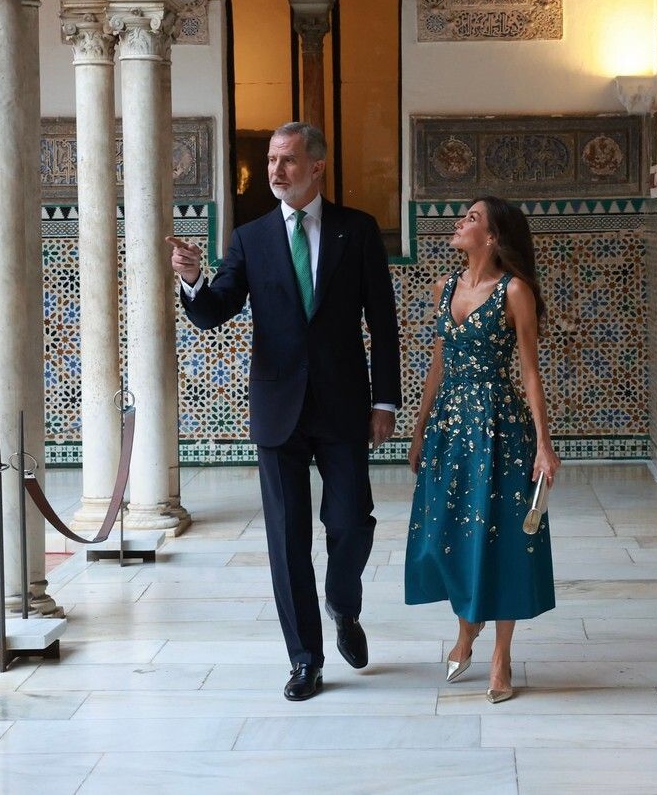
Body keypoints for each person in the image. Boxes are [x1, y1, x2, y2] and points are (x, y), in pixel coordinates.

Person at [167, 122, 401, 701]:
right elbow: (215, 311)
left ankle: (343, 604)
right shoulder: (250, 238)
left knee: (351, 522)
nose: (276, 170)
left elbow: (384, 323)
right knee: (287, 538)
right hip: (277, 410)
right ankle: (305, 659)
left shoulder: (358, 230)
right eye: (272, 160)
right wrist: (196, 280)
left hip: (345, 405)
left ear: (317, 166)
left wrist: (384, 399)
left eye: (289, 160)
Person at [404, 196, 558, 704]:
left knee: (504, 539)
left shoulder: (515, 292)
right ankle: (467, 627)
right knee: (446, 533)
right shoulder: (443, 287)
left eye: (471, 218)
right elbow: (438, 363)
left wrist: (544, 445)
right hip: (450, 427)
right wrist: (420, 425)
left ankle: (500, 655)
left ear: (492, 237)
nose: (460, 222)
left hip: (498, 427)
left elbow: (531, 371)